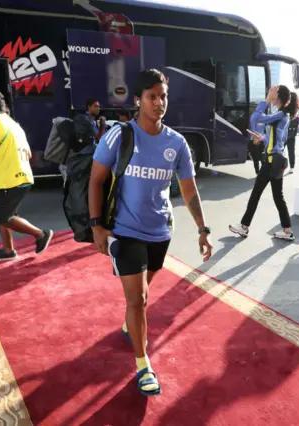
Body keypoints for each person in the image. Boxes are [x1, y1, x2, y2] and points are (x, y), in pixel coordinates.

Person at [88, 69, 213, 396]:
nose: (159, 103)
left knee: (145, 288)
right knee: (140, 298)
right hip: (125, 231)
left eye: (163, 96)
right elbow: (96, 180)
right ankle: (143, 365)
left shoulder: (177, 143)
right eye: (152, 96)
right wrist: (96, 226)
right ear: (138, 100)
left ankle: (130, 323)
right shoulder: (119, 136)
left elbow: (189, 190)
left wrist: (202, 228)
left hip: (160, 230)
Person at [0, 90, 53, 262]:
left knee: (2, 216)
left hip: (7, 179)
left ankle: (40, 234)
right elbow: (29, 154)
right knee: (5, 213)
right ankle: (8, 250)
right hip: (21, 177)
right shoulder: (14, 124)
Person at [229, 85, 298, 241]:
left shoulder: (280, 115)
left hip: (271, 162)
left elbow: (255, 118)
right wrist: (263, 139)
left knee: (257, 194)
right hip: (276, 160)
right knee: (277, 197)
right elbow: (279, 141)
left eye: (273, 92)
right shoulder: (283, 115)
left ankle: (244, 227)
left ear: (277, 96)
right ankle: (287, 231)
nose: (270, 93)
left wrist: (266, 100)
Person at [284, 93, 299, 173]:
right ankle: (292, 167)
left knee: (279, 150)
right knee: (291, 151)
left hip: (284, 134)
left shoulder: (285, 109)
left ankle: (279, 165)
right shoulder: (296, 110)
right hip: (292, 134)